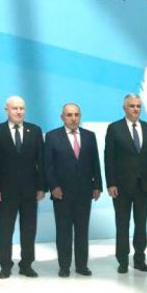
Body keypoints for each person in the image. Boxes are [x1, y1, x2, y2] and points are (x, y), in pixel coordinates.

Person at [0, 95, 46, 278]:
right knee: (6, 229)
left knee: (29, 229)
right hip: (4, 192)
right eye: (15, 108)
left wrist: (41, 187)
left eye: (22, 108)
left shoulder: (34, 131)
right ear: (7, 110)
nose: (19, 112)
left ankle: (26, 264)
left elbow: (41, 161)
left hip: (30, 191)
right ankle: (5, 265)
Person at [44, 103, 102, 277]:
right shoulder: (52, 136)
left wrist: (97, 185)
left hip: (84, 192)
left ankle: (82, 265)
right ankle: (64, 266)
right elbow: (48, 165)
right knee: (63, 231)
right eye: (69, 115)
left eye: (76, 114)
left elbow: (95, 162)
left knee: (82, 231)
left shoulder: (89, 136)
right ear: (62, 117)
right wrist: (53, 187)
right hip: (61, 193)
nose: (73, 118)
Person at [104, 94, 147, 274]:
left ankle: (139, 258)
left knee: (141, 224)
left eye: (138, 106)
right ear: (124, 108)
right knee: (122, 224)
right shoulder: (114, 128)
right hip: (121, 186)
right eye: (132, 106)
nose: (135, 109)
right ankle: (122, 260)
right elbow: (109, 158)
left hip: (144, 185)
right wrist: (111, 183)